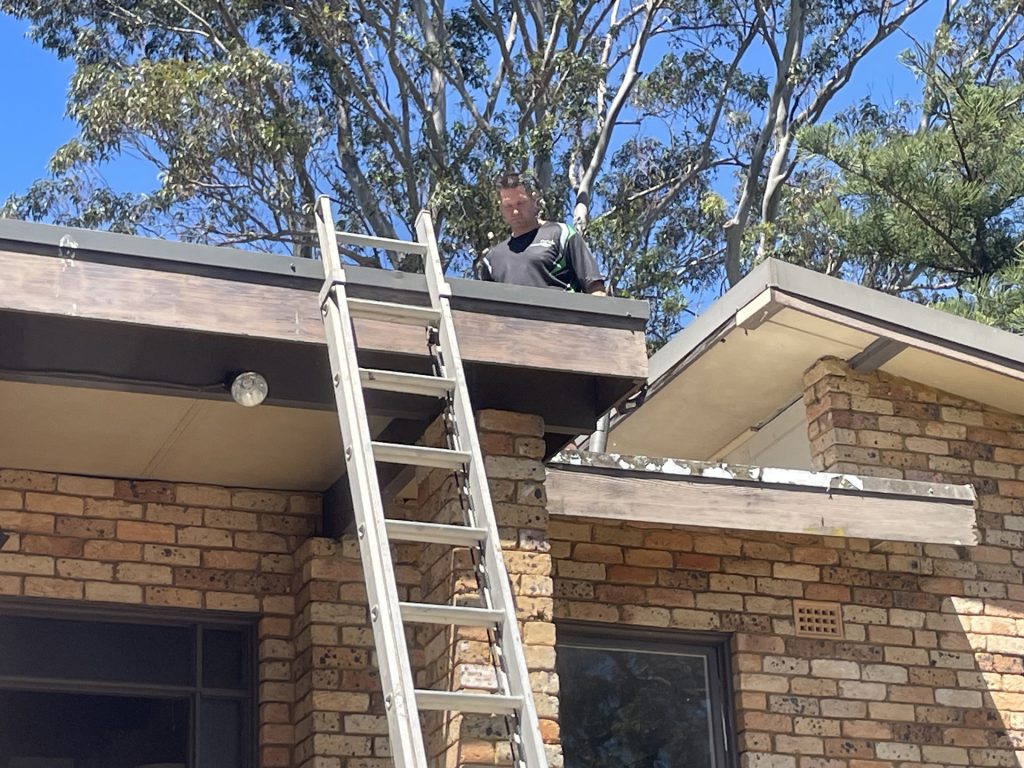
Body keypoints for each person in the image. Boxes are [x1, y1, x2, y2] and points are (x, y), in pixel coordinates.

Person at [476, 171, 607, 295]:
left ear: (533, 199)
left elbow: (596, 289)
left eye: (520, 203)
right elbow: (484, 306)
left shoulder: (561, 235)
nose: (515, 211)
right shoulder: (492, 259)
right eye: (508, 206)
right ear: (500, 207)